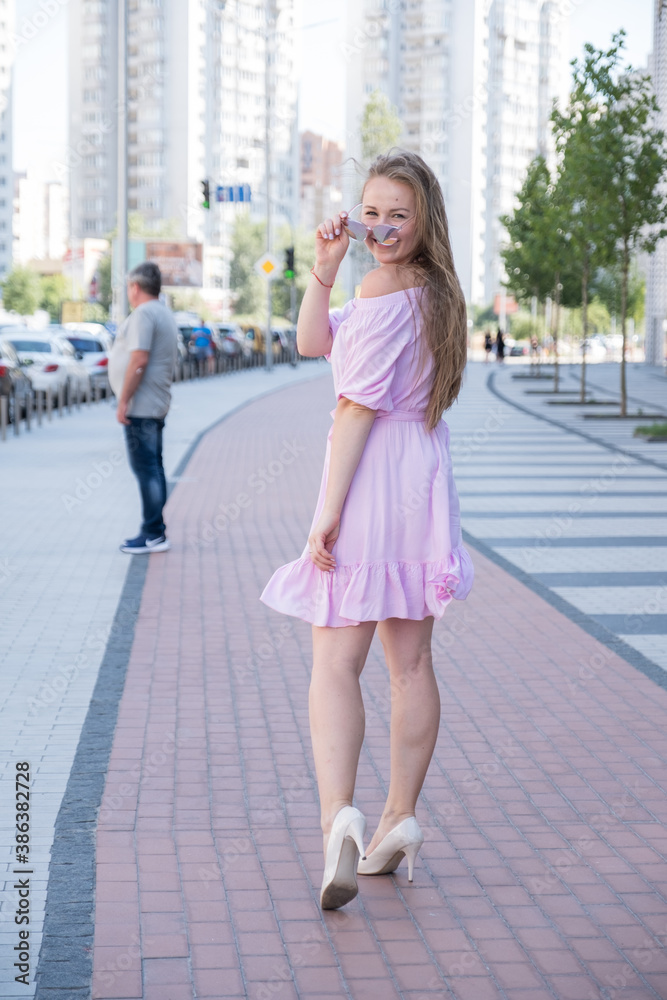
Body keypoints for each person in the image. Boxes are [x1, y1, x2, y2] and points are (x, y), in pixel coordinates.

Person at [260, 150, 474, 910]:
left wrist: (327, 512)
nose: (379, 227)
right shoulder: (434, 293)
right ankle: (395, 821)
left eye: (397, 214)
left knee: (334, 662)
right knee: (409, 664)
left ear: (424, 221)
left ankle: (335, 820)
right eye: (370, 211)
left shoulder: (386, 287)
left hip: (372, 476)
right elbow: (313, 343)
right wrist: (322, 269)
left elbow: (353, 407)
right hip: (420, 481)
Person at [108, 262, 178, 554]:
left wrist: (123, 400)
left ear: (135, 288)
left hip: (142, 406)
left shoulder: (144, 314)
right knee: (154, 467)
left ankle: (152, 533)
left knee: (146, 469)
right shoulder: (162, 311)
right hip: (153, 403)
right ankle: (155, 530)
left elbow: (138, 360)